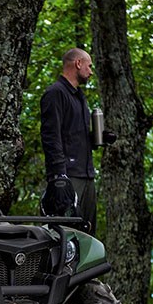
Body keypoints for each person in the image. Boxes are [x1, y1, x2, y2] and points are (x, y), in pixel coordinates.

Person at [39, 48, 114, 234]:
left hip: (86, 174)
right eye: (89, 66)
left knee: (87, 234)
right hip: (68, 176)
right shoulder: (56, 93)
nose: (91, 71)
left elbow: (74, 136)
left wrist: (99, 138)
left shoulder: (80, 98)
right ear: (78, 64)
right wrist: (59, 177)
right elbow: (51, 136)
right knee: (64, 233)